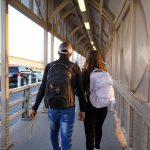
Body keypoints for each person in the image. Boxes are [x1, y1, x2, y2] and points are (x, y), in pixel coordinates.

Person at [30, 42, 86, 150]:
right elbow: (80, 90)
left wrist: (34, 108)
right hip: (68, 108)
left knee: (53, 133)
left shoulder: (49, 66)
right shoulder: (75, 68)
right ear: (70, 54)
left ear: (58, 53)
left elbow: (42, 88)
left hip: (52, 108)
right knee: (66, 139)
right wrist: (82, 110)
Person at [82, 50, 108, 150]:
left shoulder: (84, 72)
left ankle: (90, 148)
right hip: (102, 105)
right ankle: (97, 147)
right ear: (100, 59)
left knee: (89, 132)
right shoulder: (105, 71)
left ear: (88, 59)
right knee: (98, 128)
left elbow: (81, 90)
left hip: (89, 105)